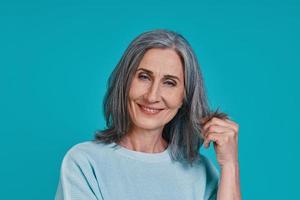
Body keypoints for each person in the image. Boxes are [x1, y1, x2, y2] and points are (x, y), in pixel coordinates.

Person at [55, 29, 241, 200]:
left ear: (184, 96)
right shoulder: (85, 162)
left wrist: (230, 165)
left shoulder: (201, 171)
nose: (152, 96)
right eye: (144, 76)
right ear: (126, 82)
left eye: (169, 82)